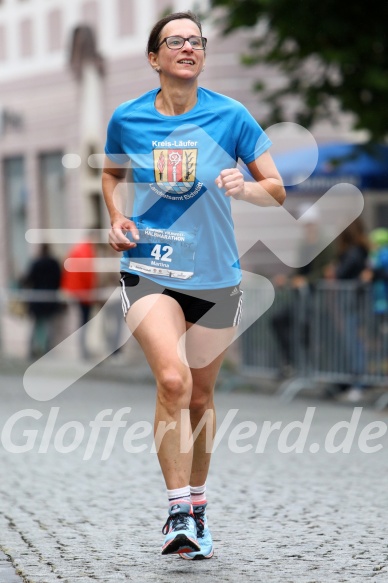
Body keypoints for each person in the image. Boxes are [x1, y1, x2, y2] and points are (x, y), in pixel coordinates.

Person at [102, 11, 285, 559]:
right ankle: (177, 509)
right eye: (174, 40)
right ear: (154, 57)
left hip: (215, 275)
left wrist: (245, 188)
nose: (188, 47)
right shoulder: (127, 118)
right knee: (173, 380)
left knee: (202, 397)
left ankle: (199, 510)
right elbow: (111, 174)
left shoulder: (231, 117)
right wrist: (116, 216)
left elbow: (274, 187)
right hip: (150, 267)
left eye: (196, 40)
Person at [270, 205, 334, 377]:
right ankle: (291, 361)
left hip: (318, 297)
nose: (308, 228)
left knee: (308, 328)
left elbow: (324, 270)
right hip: (302, 297)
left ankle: (310, 367)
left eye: (310, 224)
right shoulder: (304, 244)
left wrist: (305, 280)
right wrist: (288, 280)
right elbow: (299, 270)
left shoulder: (325, 243)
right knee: (279, 320)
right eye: (306, 225)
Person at [21, 243, 62, 359]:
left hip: (37, 299)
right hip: (50, 298)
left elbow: (28, 279)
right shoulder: (54, 264)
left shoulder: (36, 263)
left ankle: (32, 350)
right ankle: (48, 350)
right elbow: (59, 279)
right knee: (49, 326)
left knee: (35, 325)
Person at [61, 234, 97, 359]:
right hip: (83, 292)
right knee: (85, 322)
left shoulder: (77, 249)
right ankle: (84, 350)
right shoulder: (86, 252)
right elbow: (87, 275)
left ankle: (83, 349)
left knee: (82, 321)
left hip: (75, 291)